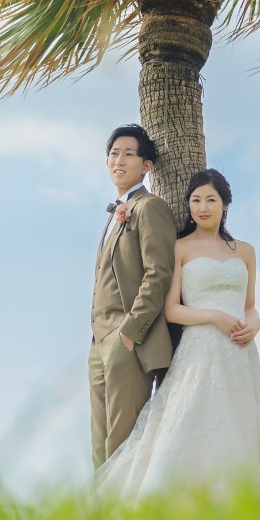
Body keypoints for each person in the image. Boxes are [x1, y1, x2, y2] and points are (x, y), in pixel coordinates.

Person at [95, 167, 260, 499]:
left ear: (225, 205)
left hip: (240, 353)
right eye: (195, 200)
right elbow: (173, 309)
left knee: (238, 427)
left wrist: (255, 324)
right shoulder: (181, 248)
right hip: (200, 349)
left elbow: (249, 306)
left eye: (210, 200)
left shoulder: (245, 251)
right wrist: (215, 316)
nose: (202, 207)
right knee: (189, 423)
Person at [89, 124, 176, 469]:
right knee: (99, 443)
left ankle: (123, 516)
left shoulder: (149, 206)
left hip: (128, 341)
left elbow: (159, 273)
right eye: (113, 153)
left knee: (121, 442)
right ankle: (98, 518)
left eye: (128, 153)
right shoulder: (115, 212)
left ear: (147, 165)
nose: (118, 160)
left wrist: (128, 333)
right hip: (98, 341)